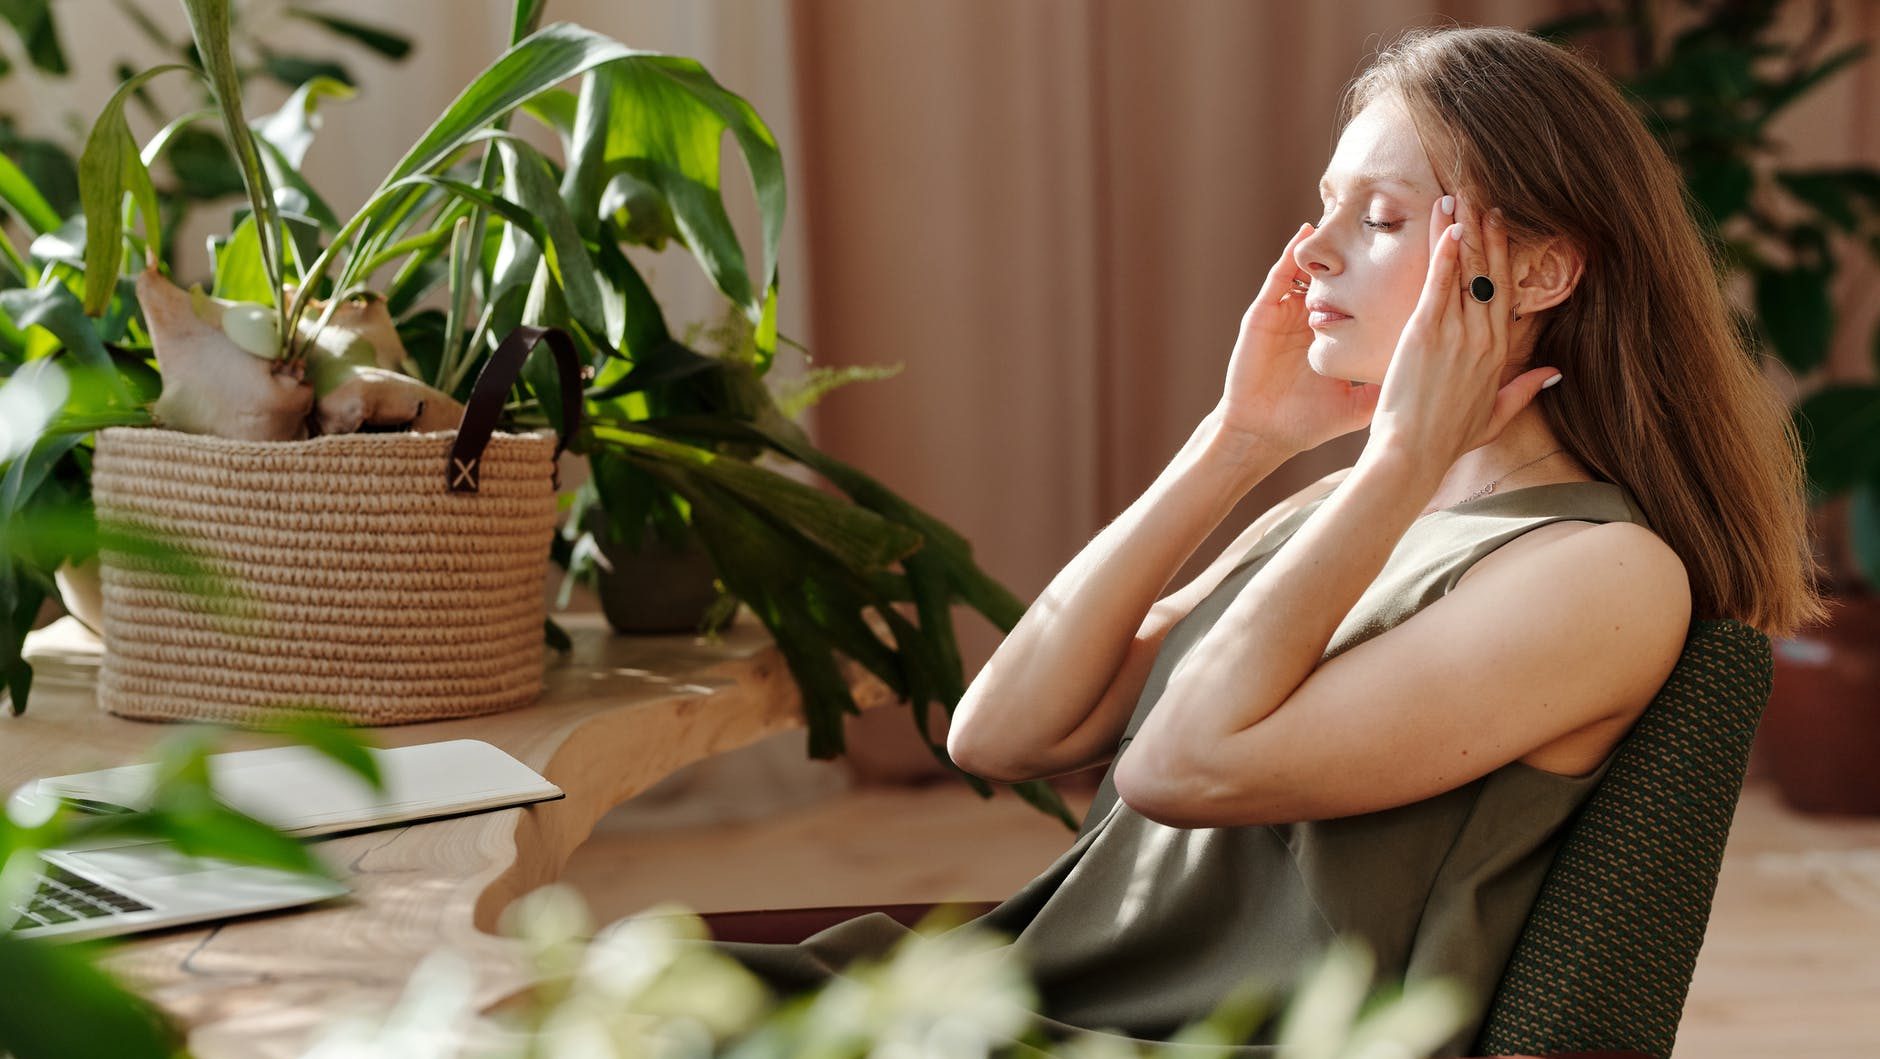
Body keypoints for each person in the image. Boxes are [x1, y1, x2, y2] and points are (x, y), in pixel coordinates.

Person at [678, 22, 1830, 1057]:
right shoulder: (1338, 515)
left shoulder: (1599, 574)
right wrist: (1232, 442)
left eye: (1376, 219)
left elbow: (1178, 767)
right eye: (1322, 206)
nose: (1310, 252)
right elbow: (999, 732)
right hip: (1006, 996)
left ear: (1532, 271)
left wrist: (1392, 464)